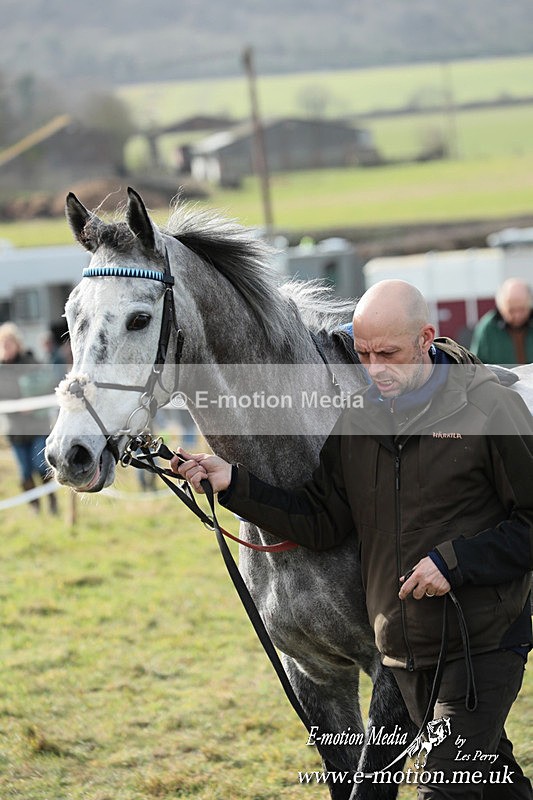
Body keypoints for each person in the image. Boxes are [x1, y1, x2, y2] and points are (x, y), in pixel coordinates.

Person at [171, 280, 533, 799]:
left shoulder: (492, 408)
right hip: (405, 652)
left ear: (426, 338)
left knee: (446, 787)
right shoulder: (358, 416)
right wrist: (234, 484)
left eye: (388, 353)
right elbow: (321, 520)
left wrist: (455, 562)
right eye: (363, 354)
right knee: (496, 784)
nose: (374, 368)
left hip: (481, 642)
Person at [0, 322, 58, 515]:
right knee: (25, 472)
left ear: (17, 343)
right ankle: (35, 508)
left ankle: (52, 501)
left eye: (8, 342)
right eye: (2, 343)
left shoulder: (30, 362)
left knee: (41, 466)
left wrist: (31, 402)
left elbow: (48, 385)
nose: (5, 347)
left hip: (37, 426)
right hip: (15, 431)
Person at [470, 278, 533, 366]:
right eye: (511, 311)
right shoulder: (487, 328)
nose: (517, 315)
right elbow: (475, 366)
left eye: (522, 309)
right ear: (501, 307)